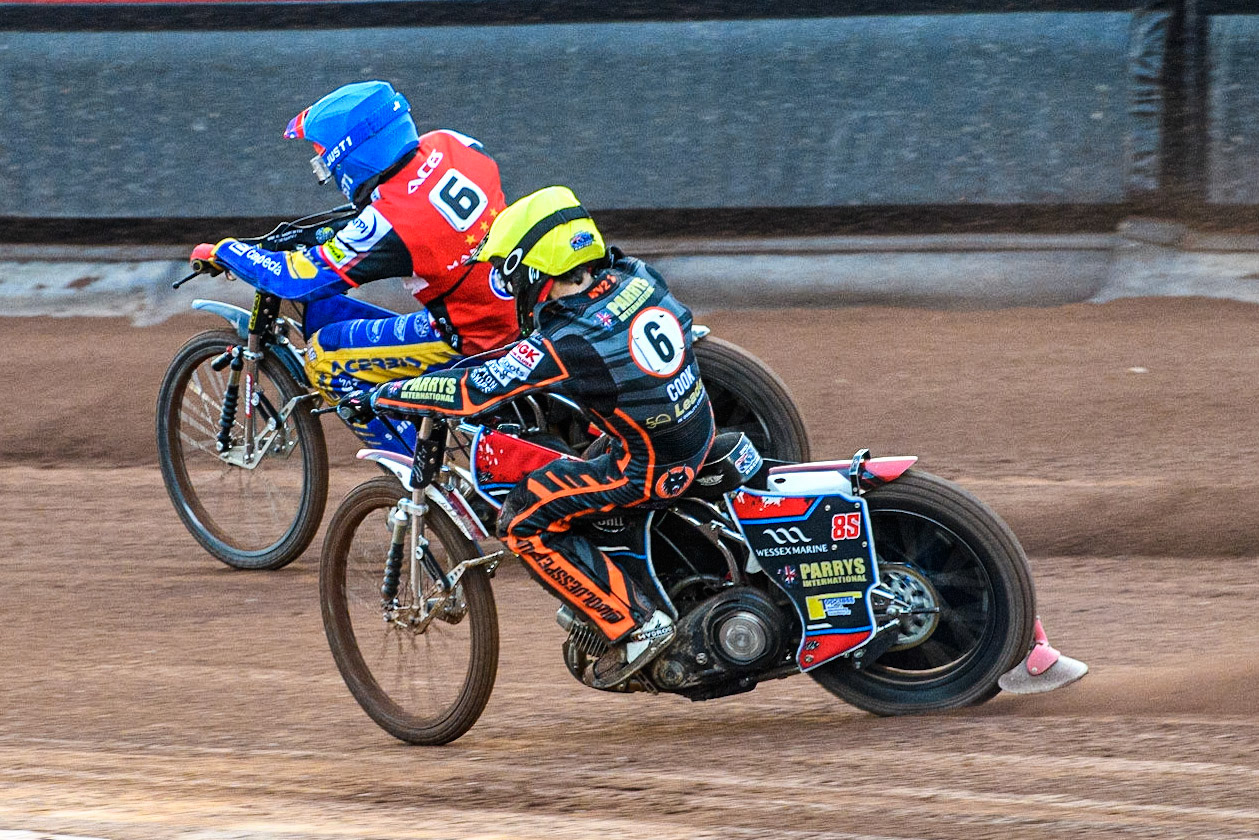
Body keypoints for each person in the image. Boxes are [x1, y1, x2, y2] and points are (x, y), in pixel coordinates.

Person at [340, 186, 716, 688]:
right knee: (581, 461)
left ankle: (636, 626)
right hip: (695, 428)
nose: (506, 285)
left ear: (535, 270)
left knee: (522, 519)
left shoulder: (569, 339)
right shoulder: (637, 275)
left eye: (509, 273)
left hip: (649, 467)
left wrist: (386, 395)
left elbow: (474, 392)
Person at [189, 80, 518, 448]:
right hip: (513, 309)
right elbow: (405, 206)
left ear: (352, 157)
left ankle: (418, 483)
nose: (328, 176)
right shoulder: (454, 143)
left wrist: (226, 251)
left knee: (324, 356)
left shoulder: (390, 223)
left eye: (326, 162)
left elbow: (296, 280)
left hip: (474, 338)